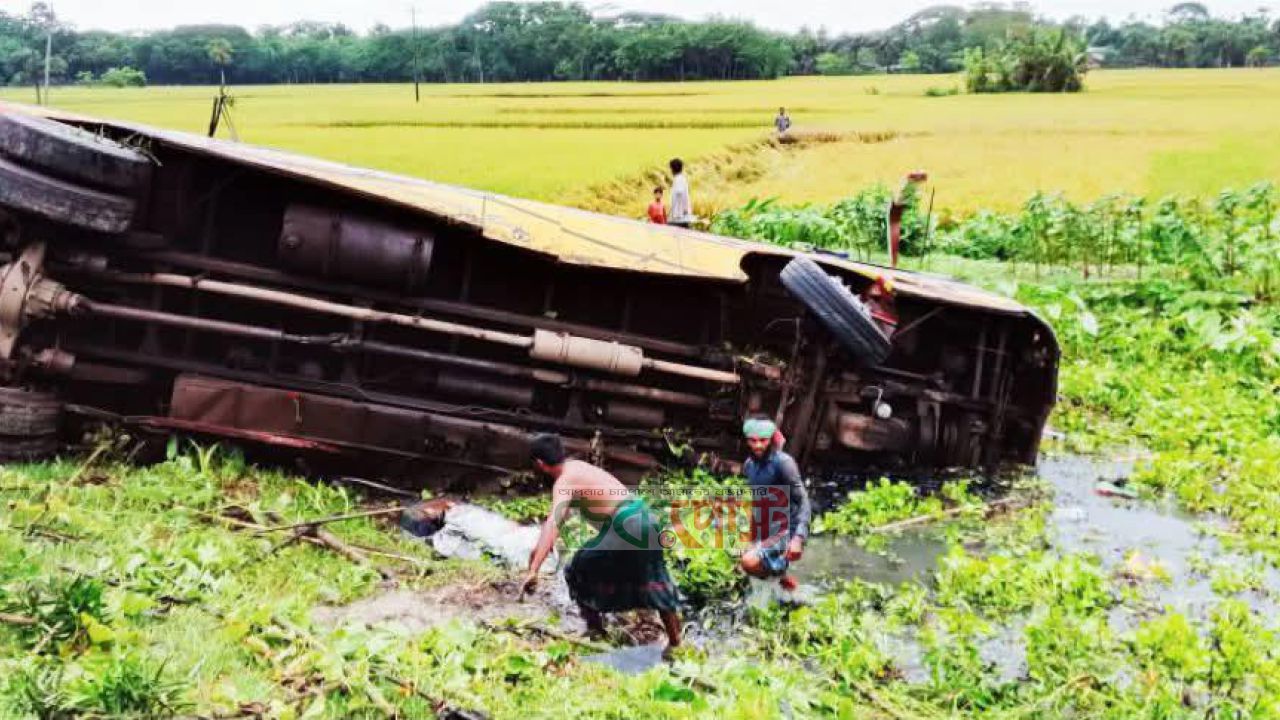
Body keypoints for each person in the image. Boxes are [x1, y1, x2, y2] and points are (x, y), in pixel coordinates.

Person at [522, 433, 682, 654]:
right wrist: (537, 554)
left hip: (627, 524)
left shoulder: (564, 481)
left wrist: (533, 571)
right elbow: (555, 524)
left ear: (540, 464)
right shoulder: (576, 467)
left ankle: (596, 631)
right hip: (647, 519)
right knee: (655, 579)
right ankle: (677, 644)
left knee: (576, 568)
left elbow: (553, 524)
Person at [738, 417, 812, 592]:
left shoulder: (784, 463)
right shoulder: (749, 466)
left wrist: (798, 538)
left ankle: (781, 576)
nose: (758, 446)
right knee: (742, 558)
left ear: (771, 440)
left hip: (787, 528)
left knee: (748, 562)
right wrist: (749, 539)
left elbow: (803, 500)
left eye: (763, 441)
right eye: (753, 441)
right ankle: (786, 585)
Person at [667, 158, 694, 229]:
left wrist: (679, 212)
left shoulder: (678, 179)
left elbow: (679, 193)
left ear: (673, 169)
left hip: (679, 217)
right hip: (681, 216)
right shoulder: (681, 179)